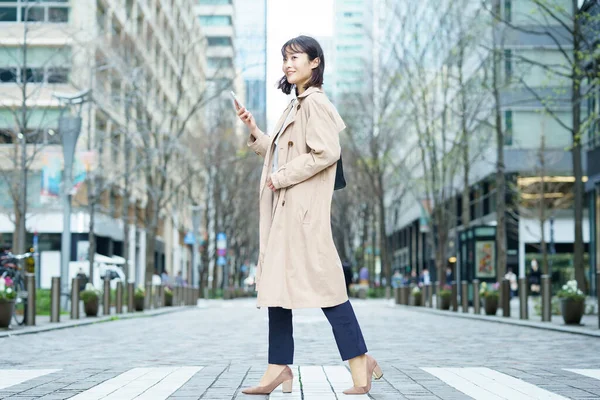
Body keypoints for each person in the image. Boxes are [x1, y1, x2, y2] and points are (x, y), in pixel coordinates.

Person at [237, 35, 382, 396]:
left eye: (295, 57)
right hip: (288, 214)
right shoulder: (295, 106)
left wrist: (280, 177)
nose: (288, 64)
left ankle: (360, 360)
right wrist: (254, 131)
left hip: (303, 217)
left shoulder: (315, 103)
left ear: (315, 62)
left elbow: (325, 152)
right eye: (284, 58)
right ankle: (278, 367)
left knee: (328, 289)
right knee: (277, 289)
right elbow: (281, 153)